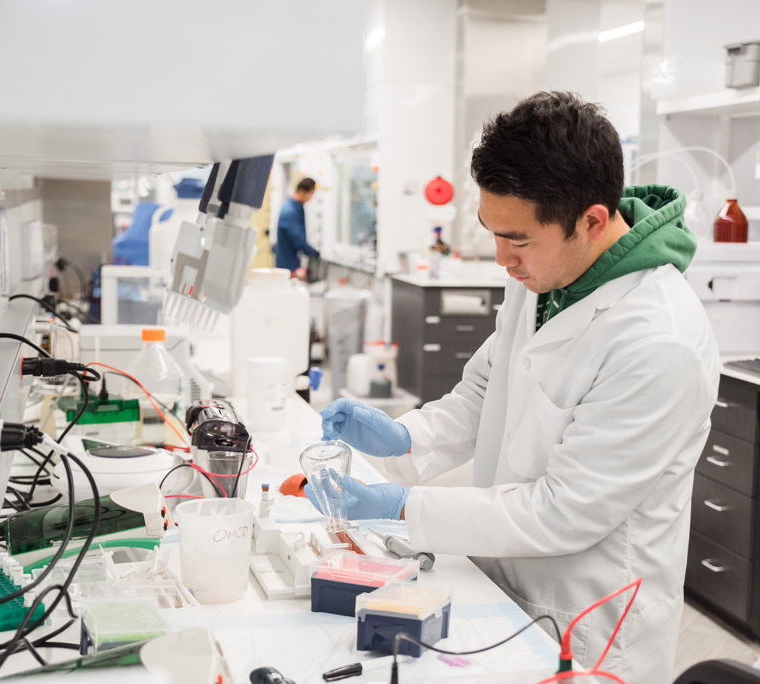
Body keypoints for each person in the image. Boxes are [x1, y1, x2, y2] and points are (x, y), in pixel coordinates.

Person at [308, 91, 720, 682]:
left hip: (589, 617)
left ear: (593, 221)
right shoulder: (545, 275)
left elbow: (563, 512)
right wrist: (404, 436)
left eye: (519, 239)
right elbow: (486, 390)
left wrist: (403, 507)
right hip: (500, 583)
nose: (502, 258)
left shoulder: (659, 340)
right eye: (492, 232)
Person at [275, 177, 320, 274]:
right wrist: (314, 253)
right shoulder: (290, 211)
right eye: (310, 194)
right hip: (288, 264)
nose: (311, 198)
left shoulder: (294, 206)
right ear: (301, 191)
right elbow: (298, 239)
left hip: (290, 261)